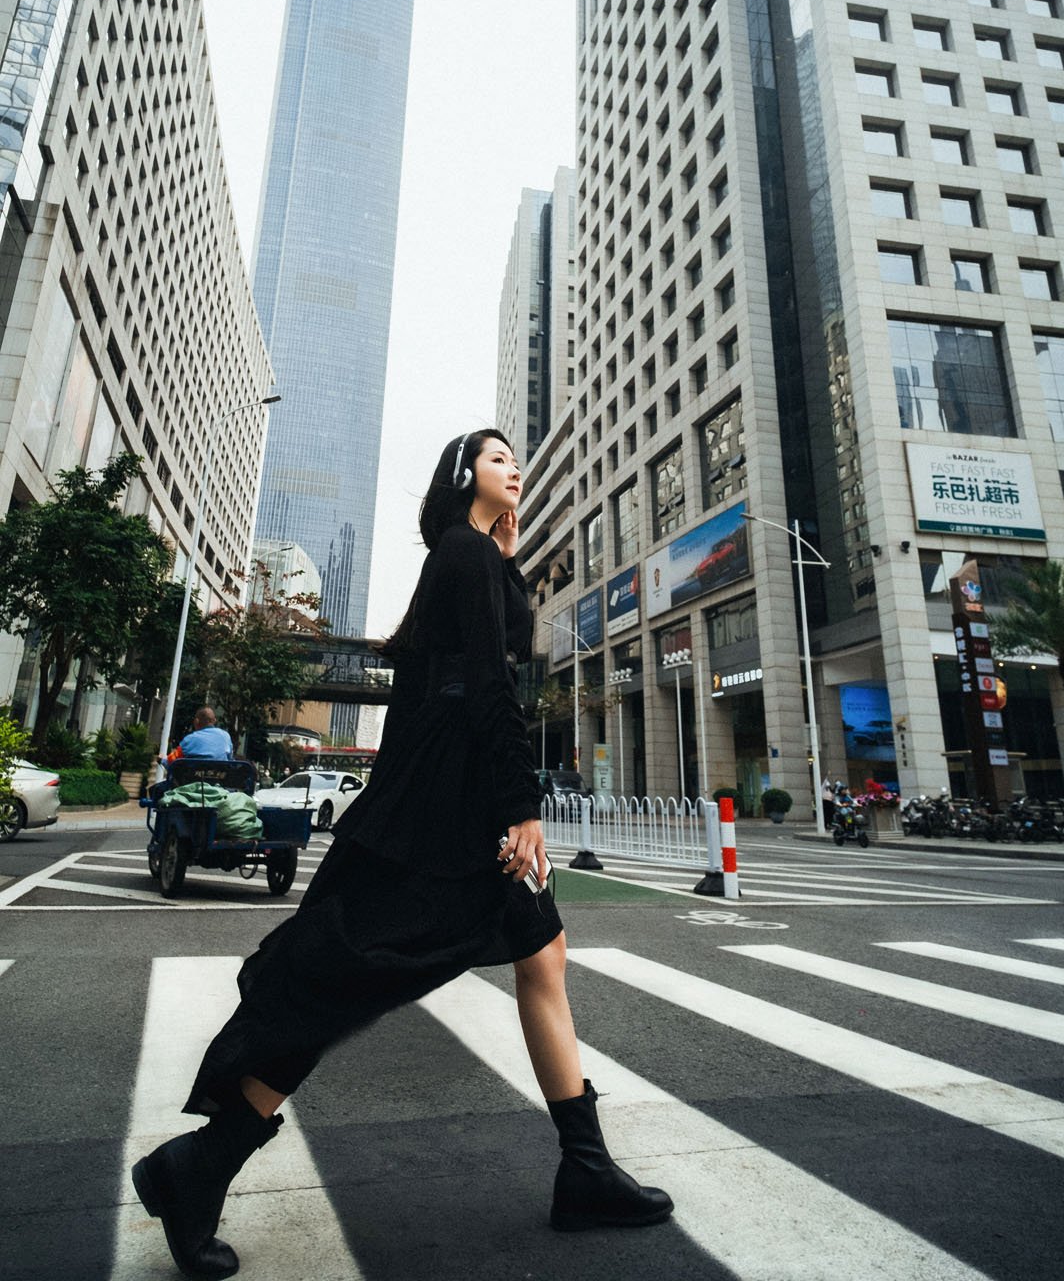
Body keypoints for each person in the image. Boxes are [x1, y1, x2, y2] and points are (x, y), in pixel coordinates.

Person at [132, 430, 673, 1277]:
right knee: (343, 979)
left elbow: (457, 682)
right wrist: (518, 806)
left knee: (542, 956)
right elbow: (485, 687)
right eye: (498, 459)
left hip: (442, 800)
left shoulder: (481, 560)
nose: (515, 468)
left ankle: (587, 1170)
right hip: (443, 812)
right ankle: (200, 1163)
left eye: (512, 460)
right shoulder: (460, 551)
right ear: (463, 476)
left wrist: (507, 556)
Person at [164, 707, 234, 763]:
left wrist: (162, 760)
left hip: (192, 779)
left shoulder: (190, 739)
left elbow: (171, 761)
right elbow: (230, 759)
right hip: (220, 778)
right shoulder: (226, 736)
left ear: (196, 721)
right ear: (214, 721)